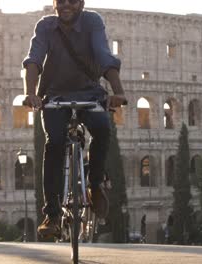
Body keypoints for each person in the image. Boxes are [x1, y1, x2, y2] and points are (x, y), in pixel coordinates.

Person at [22, 0, 127, 238]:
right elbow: (34, 59)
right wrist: (30, 92)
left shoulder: (92, 21)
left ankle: (95, 183)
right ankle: (52, 214)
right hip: (54, 96)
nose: (66, 5)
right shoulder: (46, 26)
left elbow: (103, 56)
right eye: (61, 1)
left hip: (89, 92)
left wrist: (118, 91)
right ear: (54, 3)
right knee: (54, 143)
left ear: (81, 3)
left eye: (72, 0)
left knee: (101, 129)